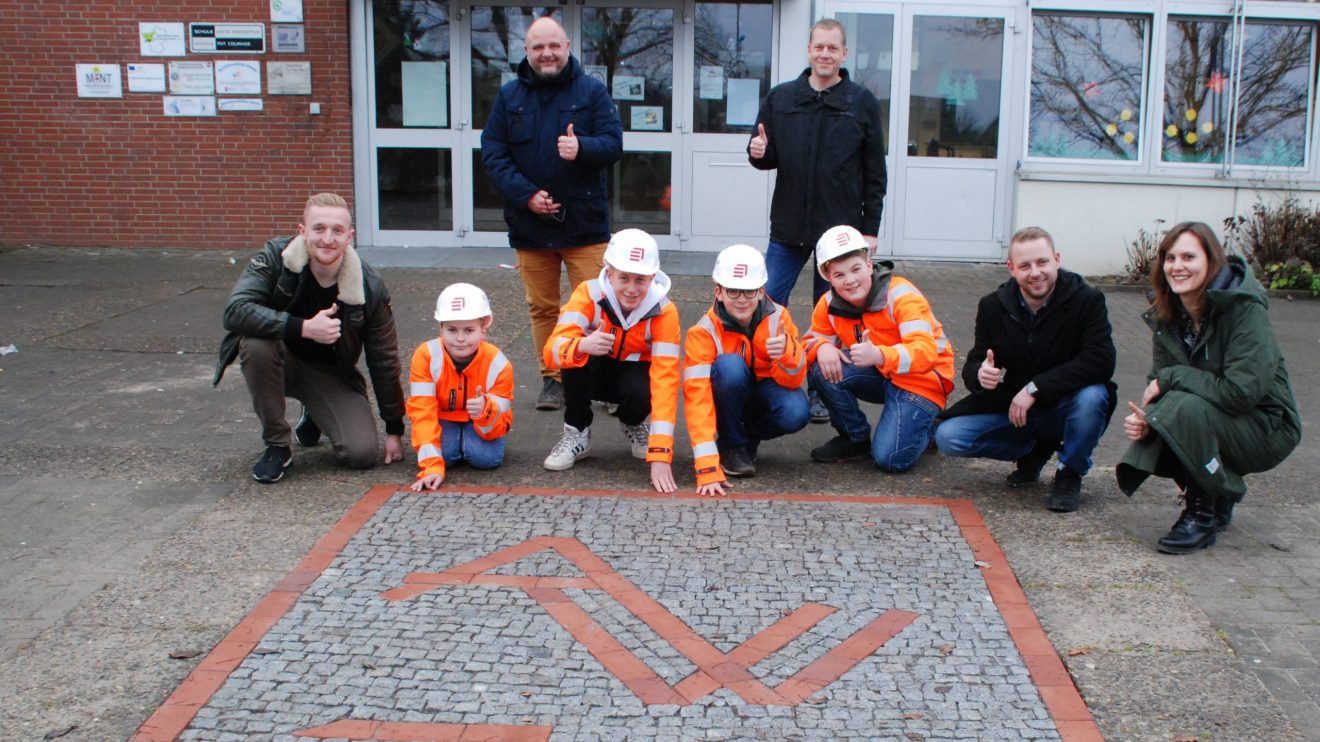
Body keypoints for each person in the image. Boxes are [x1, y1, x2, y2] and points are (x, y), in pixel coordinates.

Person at [1118, 222, 1300, 554]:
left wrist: (1173, 380)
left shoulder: (1245, 310)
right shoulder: (1168, 316)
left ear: (1211, 261)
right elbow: (1161, 389)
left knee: (1184, 410)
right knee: (1165, 417)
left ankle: (1200, 516)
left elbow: (1240, 393)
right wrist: (1147, 421)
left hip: (1268, 426)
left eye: (1189, 256)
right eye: (1170, 258)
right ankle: (1219, 497)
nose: (1177, 266)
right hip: (1218, 417)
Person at [748, 17, 887, 423]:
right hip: (789, 225)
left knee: (835, 312)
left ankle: (824, 389)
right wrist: (757, 151)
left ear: (844, 54)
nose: (825, 54)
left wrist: (870, 228)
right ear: (809, 51)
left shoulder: (860, 102)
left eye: (833, 48)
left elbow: (874, 170)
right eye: (818, 47)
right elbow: (764, 153)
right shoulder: (782, 97)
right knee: (768, 300)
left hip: (840, 232)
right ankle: (769, 376)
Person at [481, 16, 624, 413]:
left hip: (585, 225)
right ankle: (554, 379)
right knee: (543, 307)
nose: (547, 53)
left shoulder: (592, 92)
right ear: (527, 51)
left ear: (566, 47)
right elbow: (493, 153)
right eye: (538, 47)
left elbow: (614, 144)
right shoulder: (509, 98)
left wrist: (583, 149)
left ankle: (605, 381)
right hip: (530, 225)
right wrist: (526, 195)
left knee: (601, 304)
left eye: (554, 46)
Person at [213, 193, 404, 483]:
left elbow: (384, 359)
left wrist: (394, 429)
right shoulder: (274, 258)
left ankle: (314, 412)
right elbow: (236, 311)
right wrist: (301, 327)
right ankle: (277, 446)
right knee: (256, 343)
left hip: (330, 372)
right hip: (278, 361)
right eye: (319, 229)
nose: (327, 238)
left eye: (337, 231)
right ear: (303, 231)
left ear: (349, 236)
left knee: (362, 454)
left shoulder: (370, 286)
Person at [933, 227, 1117, 512]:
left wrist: (1036, 387)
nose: (1035, 273)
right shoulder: (992, 306)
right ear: (1011, 268)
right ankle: (1034, 450)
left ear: (1056, 259)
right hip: (1019, 411)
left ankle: (1070, 472)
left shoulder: (1087, 300)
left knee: (1094, 395)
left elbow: (1101, 361)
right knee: (949, 436)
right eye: (1025, 265)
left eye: (1042, 262)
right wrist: (979, 375)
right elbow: (976, 359)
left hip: (1068, 406)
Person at [803, 225, 954, 472]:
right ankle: (855, 439)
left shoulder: (901, 295)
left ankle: (928, 426)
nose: (850, 281)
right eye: (839, 275)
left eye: (855, 269)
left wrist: (880, 354)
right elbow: (807, 343)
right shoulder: (828, 302)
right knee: (821, 367)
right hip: (881, 372)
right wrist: (821, 346)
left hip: (922, 380)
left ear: (870, 265)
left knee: (890, 459)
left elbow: (926, 352)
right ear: (828, 277)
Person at [542, 228, 681, 493]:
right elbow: (551, 350)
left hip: (633, 378)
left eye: (640, 280)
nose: (631, 288)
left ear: (653, 278)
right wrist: (582, 344)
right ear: (608, 273)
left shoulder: (665, 311)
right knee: (573, 355)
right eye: (623, 278)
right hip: (592, 372)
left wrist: (661, 455)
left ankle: (633, 422)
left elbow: (666, 382)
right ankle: (577, 432)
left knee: (651, 385)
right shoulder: (588, 295)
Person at [683, 244, 810, 497]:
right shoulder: (703, 332)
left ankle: (743, 440)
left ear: (761, 291)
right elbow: (697, 398)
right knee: (730, 367)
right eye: (733, 291)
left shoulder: (779, 318)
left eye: (750, 292)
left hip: (763, 391)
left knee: (797, 411)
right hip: (727, 395)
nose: (742, 299)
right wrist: (706, 467)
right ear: (718, 292)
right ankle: (730, 446)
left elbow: (794, 379)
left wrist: (787, 351)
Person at [405, 283, 515, 492]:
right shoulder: (425, 355)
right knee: (442, 456)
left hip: (480, 422)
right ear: (441, 329)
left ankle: (463, 443)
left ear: (484, 328)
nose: (460, 338)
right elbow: (422, 411)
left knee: (487, 459)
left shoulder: (499, 364)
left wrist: (485, 410)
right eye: (452, 330)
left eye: (469, 330)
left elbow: (501, 422)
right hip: (444, 417)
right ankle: (457, 445)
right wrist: (431, 468)